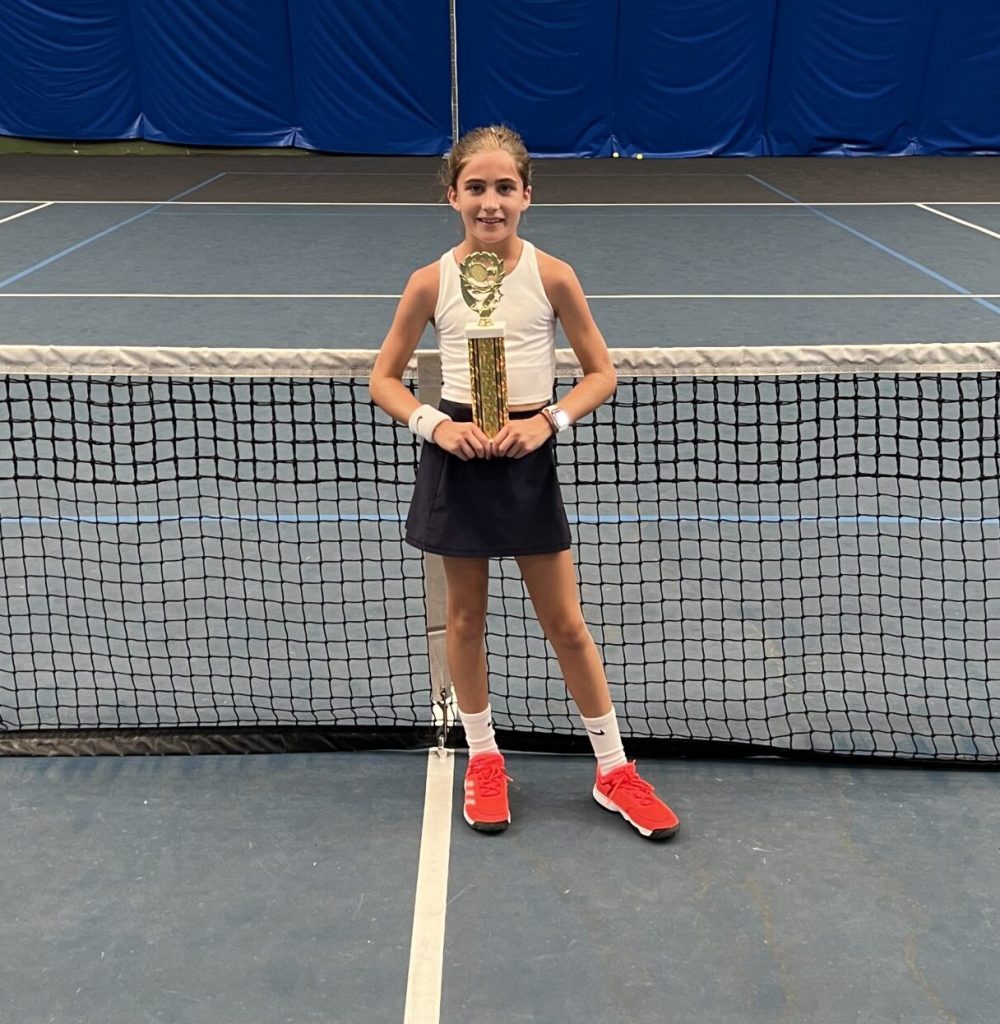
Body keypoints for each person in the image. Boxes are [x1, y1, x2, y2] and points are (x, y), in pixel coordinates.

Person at [369, 125, 679, 840]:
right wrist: (434, 426)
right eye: (475, 187)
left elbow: (602, 373)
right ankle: (483, 758)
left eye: (504, 187)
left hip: (527, 459)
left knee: (566, 624)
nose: (490, 201)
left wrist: (550, 423)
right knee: (465, 622)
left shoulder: (554, 275)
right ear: (452, 195)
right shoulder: (430, 281)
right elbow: (383, 379)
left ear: (527, 195)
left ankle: (613, 770)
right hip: (459, 456)